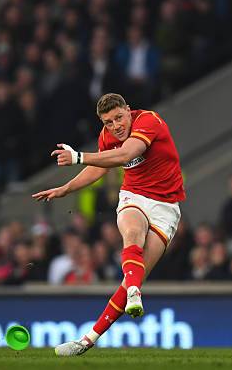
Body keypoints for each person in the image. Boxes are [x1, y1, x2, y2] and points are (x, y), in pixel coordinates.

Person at [32, 93, 185, 356]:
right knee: (132, 232)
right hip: (133, 196)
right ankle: (134, 293)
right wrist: (65, 189)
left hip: (166, 208)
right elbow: (100, 167)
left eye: (118, 118)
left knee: (130, 279)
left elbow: (126, 154)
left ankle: (88, 339)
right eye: (108, 122)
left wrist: (78, 156)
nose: (115, 126)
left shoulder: (148, 120)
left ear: (128, 110)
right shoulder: (107, 135)